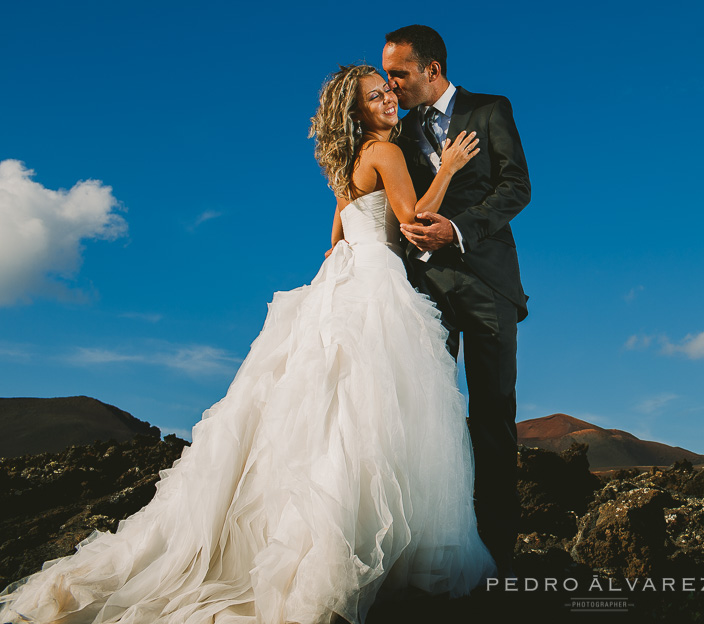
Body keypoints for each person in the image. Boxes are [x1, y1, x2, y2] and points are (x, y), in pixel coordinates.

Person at [0, 65, 495, 624]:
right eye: (375, 96)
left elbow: (335, 236)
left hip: (347, 278)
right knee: (373, 415)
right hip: (378, 282)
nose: (387, 100)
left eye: (387, 91)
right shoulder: (386, 152)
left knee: (337, 414)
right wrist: (449, 167)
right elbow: (411, 221)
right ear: (357, 112)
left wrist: (346, 251)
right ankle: (361, 556)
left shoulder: (347, 164)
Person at [380, 25, 530, 577]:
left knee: (492, 416)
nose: (391, 85)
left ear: (432, 69)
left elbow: (516, 186)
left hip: (489, 284)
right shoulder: (395, 132)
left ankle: (497, 556)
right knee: (430, 418)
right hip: (425, 292)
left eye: (399, 73)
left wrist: (459, 231)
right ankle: (435, 552)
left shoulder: (490, 110)